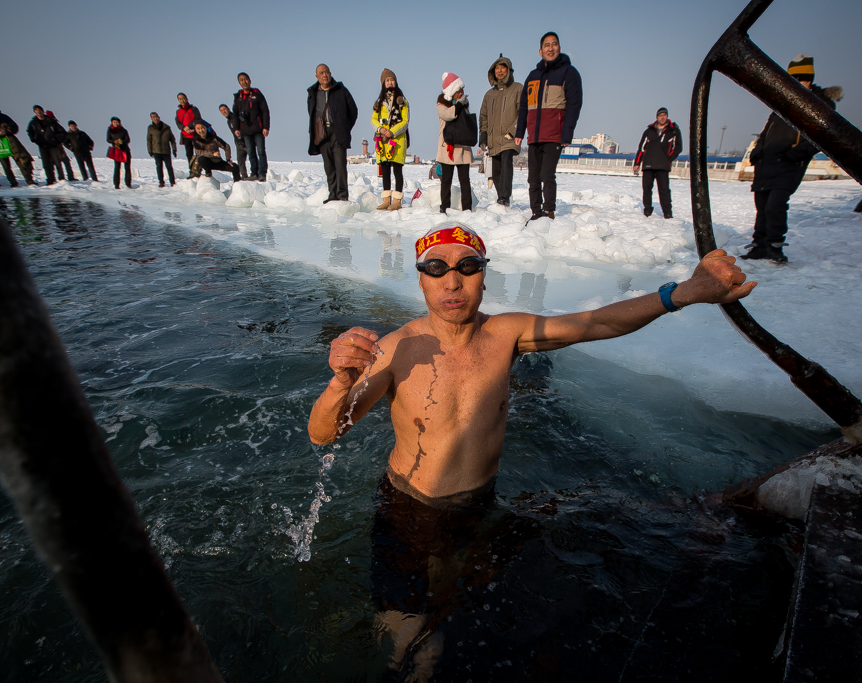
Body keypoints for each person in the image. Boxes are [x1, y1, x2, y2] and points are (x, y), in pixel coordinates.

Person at [307, 221, 755, 676]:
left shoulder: (506, 333)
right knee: (405, 638)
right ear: (421, 277)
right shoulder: (396, 348)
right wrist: (340, 381)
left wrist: (679, 294)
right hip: (408, 508)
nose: (453, 280)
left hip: (476, 504)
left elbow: (595, 322)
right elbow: (324, 434)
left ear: (484, 273)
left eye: (468, 266)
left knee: (445, 621)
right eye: (436, 268)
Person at [746, 54, 842, 263]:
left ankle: (775, 246)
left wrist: (795, 154)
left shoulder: (819, 104)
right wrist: (757, 151)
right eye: (793, 79)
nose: (797, 83)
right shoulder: (781, 102)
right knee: (762, 206)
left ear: (810, 78)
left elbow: (820, 137)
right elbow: (767, 130)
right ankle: (759, 246)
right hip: (766, 163)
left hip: (789, 164)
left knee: (775, 205)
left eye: (802, 78)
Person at [515, 32, 583, 220]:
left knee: (547, 175)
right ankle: (535, 212)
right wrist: (520, 131)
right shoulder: (533, 76)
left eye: (554, 44)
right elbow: (523, 106)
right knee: (533, 178)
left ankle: (548, 211)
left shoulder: (569, 72)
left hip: (554, 134)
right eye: (547, 45)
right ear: (540, 51)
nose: (550, 48)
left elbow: (574, 104)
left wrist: (567, 132)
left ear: (559, 48)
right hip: (534, 136)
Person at [307, 64, 358, 202]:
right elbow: (311, 112)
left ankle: (342, 195)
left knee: (340, 163)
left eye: (327, 72)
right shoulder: (313, 93)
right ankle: (333, 194)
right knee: (329, 165)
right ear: (317, 76)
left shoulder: (341, 90)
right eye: (321, 73)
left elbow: (353, 111)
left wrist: (345, 127)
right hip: (322, 132)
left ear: (330, 73)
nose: (325, 75)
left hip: (338, 131)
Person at [479, 54, 523, 207]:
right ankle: (501, 197)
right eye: (497, 68)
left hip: (509, 137)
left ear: (509, 70)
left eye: (502, 68)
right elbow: (483, 116)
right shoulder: (489, 94)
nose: (500, 71)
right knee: (496, 170)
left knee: (506, 164)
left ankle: (504, 197)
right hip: (493, 138)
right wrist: (483, 135)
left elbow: (523, 112)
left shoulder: (517, 88)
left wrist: (513, 131)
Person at [371, 68, 410, 211]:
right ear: (383, 83)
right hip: (382, 141)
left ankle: (397, 200)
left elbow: (405, 121)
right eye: (387, 80)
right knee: (385, 170)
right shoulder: (379, 103)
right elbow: (373, 119)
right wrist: (381, 129)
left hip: (397, 141)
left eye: (392, 80)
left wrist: (391, 132)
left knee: (397, 170)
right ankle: (386, 200)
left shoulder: (402, 101)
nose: (390, 82)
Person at [633, 107, 682, 219]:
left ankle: (667, 212)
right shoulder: (648, 131)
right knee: (647, 189)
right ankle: (647, 210)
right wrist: (637, 163)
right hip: (648, 165)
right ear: (657, 117)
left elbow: (678, 148)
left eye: (664, 115)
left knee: (664, 190)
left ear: (667, 116)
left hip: (663, 166)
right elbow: (641, 149)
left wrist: (668, 158)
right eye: (660, 115)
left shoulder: (673, 131)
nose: (662, 117)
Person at [436, 72, 473, 213]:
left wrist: (462, 104)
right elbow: (449, 115)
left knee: (465, 180)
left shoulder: (464, 104)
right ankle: (444, 208)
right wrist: (459, 104)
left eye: (462, 90)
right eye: (458, 91)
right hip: (448, 147)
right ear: (451, 91)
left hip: (462, 146)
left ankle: (467, 208)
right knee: (446, 180)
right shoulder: (441, 104)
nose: (461, 93)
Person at [0, 99, 34, 186]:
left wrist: (7, 132)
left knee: (21, 161)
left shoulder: (3, 116)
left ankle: (29, 181)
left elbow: (15, 127)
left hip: (11, 142)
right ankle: (13, 182)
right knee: (6, 165)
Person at [232, 72, 270, 180]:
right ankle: (254, 173)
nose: (244, 82)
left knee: (261, 151)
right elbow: (235, 114)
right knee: (251, 152)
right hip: (245, 130)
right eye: (241, 80)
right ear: (239, 83)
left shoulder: (257, 94)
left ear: (250, 80)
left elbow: (265, 111)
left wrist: (266, 127)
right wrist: (236, 128)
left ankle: (262, 173)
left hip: (258, 129)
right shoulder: (238, 97)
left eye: (246, 79)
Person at [27, 105, 66, 185]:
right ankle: (50, 180)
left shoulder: (51, 121)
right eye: (36, 110)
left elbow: (63, 132)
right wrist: (34, 139)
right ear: (34, 112)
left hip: (53, 145)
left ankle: (62, 179)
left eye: (40, 110)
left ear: (43, 111)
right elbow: (29, 131)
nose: (38, 112)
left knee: (57, 162)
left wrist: (57, 141)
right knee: (46, 164)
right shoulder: (33, 122)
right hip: (42, 145)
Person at [146, 112, 177, 187]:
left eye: (156, 117)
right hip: (156, 150)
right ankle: (161, 182)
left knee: (169, 166)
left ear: (159, 117)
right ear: (151, 119)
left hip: (166, 150)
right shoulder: (150, 128)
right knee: (159, 166)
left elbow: (172, 139)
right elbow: (149, 140)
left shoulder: (166, 127)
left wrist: (174, 149)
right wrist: (150, 150)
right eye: (153, 117)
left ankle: (172, 182)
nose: (155, 118)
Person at [219, 103, 248, 180]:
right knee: (240, 161)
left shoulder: (236, 117)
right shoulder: (228, 121)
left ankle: (256, 174)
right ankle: (244, 176)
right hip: (239, 144)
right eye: (221, 111)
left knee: (253, 158)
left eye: (224, 109)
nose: (223, 112)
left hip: (246, 141)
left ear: (228, 109)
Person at [45, 111, 77, 182]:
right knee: (56, 164)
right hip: (52, 149)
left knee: (65, 162)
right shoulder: (47, 126)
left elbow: (63, 134)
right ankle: (61, 178)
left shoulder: (55, 125)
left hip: (59, 149)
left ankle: (68, 177)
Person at [106, 116, 133, 189]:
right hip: (116, 151)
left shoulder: (124, 130)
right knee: (117, 168)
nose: (116, 124)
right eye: (114, 122)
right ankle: (116, 184)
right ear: (112, 123)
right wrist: (115, 141)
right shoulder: (110, 130)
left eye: (117, 122)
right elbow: (108, 139)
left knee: (127, 168)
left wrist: (121, 141)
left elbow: (128, 140)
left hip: (125, 150)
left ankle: (128, 183)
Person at [175, 93, 201, 165]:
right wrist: (184, 128)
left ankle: (200, 169)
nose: (182, 100)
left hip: (195, 133)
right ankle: (192, 169)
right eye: (180, 99)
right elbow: (178, 123)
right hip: (185, 135)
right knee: (189, 154)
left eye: (183, 98)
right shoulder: (178, 112)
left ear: (187, 99)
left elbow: (198, 119)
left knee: (199, 152)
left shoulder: (193, 109)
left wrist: (189, 126)